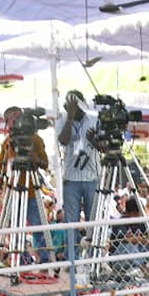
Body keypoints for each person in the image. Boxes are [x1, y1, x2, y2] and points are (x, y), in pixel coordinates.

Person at [57, 90, 100, 239]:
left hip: (91, 177)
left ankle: (92, 258)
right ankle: (72, 260)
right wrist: (69, 117)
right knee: (71, 223)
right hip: (71, 179)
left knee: (93, 221)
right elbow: (63, 140)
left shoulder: (94, 120)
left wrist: (95, 140)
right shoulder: (63, 119)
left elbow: (103, 147)